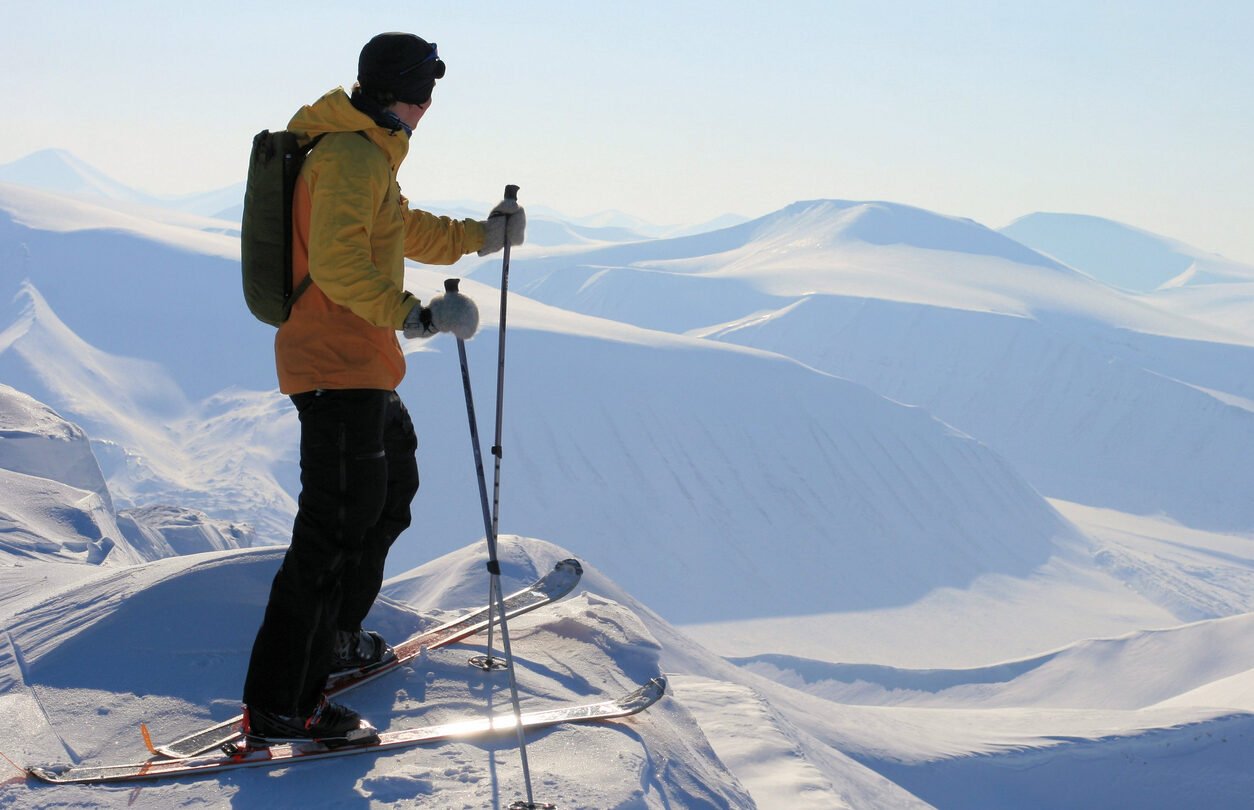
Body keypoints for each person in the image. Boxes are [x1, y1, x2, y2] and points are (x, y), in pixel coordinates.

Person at [241, 32, 526, 745]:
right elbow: (339, 266)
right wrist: (417, 315)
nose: (431, 104)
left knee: (389, 491)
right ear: (412, 92)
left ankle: (334, 640)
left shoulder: (365, 149)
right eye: (429, 89)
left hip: (361, 365)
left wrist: (480, 236)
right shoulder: (348, 155)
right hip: (334, 365)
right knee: (331, 533)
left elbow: (395, 231)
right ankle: (283, 703)